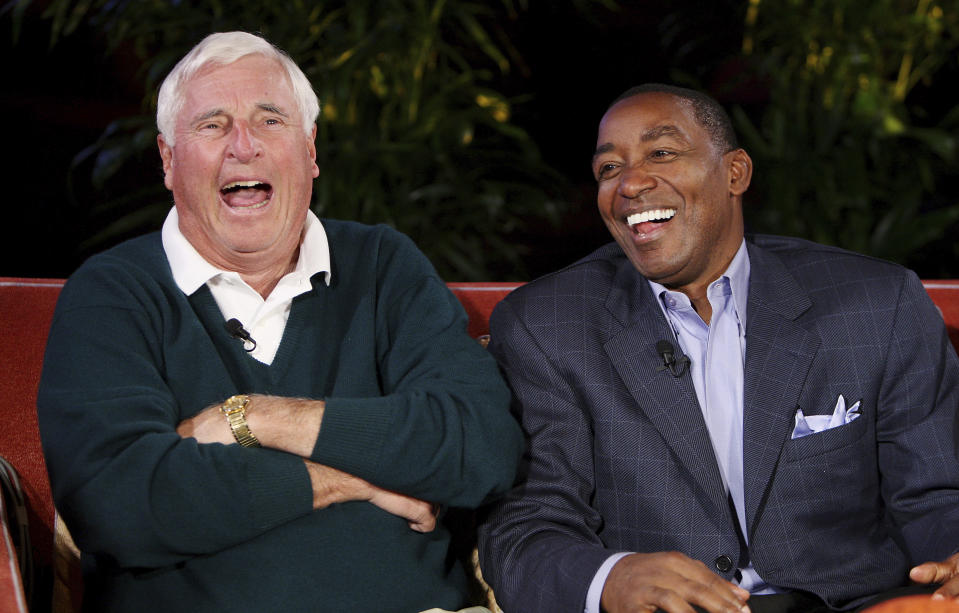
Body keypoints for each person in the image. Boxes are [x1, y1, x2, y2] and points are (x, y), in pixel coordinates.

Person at [38, 31, 523, 613]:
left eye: (270, 120)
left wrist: (252, 418)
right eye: (212, 124)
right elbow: (119, 503)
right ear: (168, 160)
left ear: (310, 148)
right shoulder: (113, 294)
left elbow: (481, 445)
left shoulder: (381, 266)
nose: (244, 147)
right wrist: (355, 479)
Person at [477, 83, 959, 613]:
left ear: (736, 174)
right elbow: (524, 530)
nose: (631, 183)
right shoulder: (548, 325)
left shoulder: (875, 303)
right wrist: (613, 578)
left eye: (661, 153)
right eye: (609, 169)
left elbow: (936, 494)